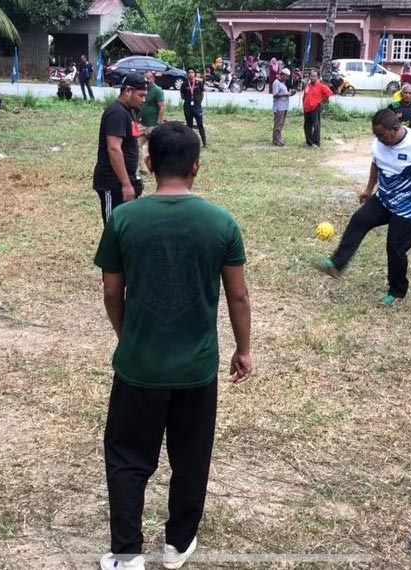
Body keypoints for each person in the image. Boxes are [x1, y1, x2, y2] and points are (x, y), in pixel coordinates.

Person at [94, 121, 252, 570]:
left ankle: (126, 553)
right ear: (196, 167)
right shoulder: (221, 222)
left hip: (138, 366)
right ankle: (178, 544)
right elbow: (238, 295)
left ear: (148, 163)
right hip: (196, 370)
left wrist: (130, 338)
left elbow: (111, 293)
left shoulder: (124, 219)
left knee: (127, 458)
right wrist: (244, 349)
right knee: (191, 456)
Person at [316, 109, 411, 306]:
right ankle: (337, 264)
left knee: (395, 247)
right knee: (360, 220)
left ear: (395, 129)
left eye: (381, 134)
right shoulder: (379, 143)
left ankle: (397, 292)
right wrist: (368, 189)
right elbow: (376, 163)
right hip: (385, 197)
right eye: (376, 135)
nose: (378, 139)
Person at [93, 73, 147, 224]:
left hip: (124, 180)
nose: (144, 100)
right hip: (113, 182)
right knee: (114, 226)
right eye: (141, 95)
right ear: (128, 91)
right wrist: (126, 184)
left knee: (126, 226)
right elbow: (114, 149)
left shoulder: (127, 111)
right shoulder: (116, 113)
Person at [138, 71, 165, 173]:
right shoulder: (144, 90)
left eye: (148, 78)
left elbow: (162, 108)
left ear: (153, 79)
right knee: (137, 145)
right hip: (142, 123)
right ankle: (142, 168)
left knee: (149, 148)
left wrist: (158, 123)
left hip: (153, 124)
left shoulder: (158, 91)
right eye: (145, 78)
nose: (146, 80)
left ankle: (153, 167)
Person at [302, 70, 333, 148]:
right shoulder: (308, 85)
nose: (312, 78)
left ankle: (316, 142)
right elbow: (305, 95)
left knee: (316, 125)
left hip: (315, 108)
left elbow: (329, 93)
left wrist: (321, 102)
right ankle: (309, 142)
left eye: (314, 76)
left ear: (317, 77)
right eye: (311, 76)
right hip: (306, 108)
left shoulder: (321, 86)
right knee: (307, 126)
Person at [180, 68, 207, 147]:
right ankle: (190, 143)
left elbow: (202, 94)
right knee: (189, 125)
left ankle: (204, 143)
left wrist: (198, 102)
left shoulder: (199, 83)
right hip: (188, 106)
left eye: (192, 72)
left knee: (200, 124)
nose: (190, 74)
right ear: (187, 74)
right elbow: (182, 96)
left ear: (195, 74)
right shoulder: (184, 84)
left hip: (197, 106)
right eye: (189, 72)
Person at [272, 68, 295, 146]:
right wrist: (287, 94)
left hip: (284, 107)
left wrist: (290, 94)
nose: (287, 78)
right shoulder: (276, 83)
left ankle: (278, 139)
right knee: (278, 124)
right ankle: (276, 140)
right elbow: (275, 95)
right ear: (282, 75)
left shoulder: (283, 83)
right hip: (279, 107)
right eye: (286, 76)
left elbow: (284, 93)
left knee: (281, 124)